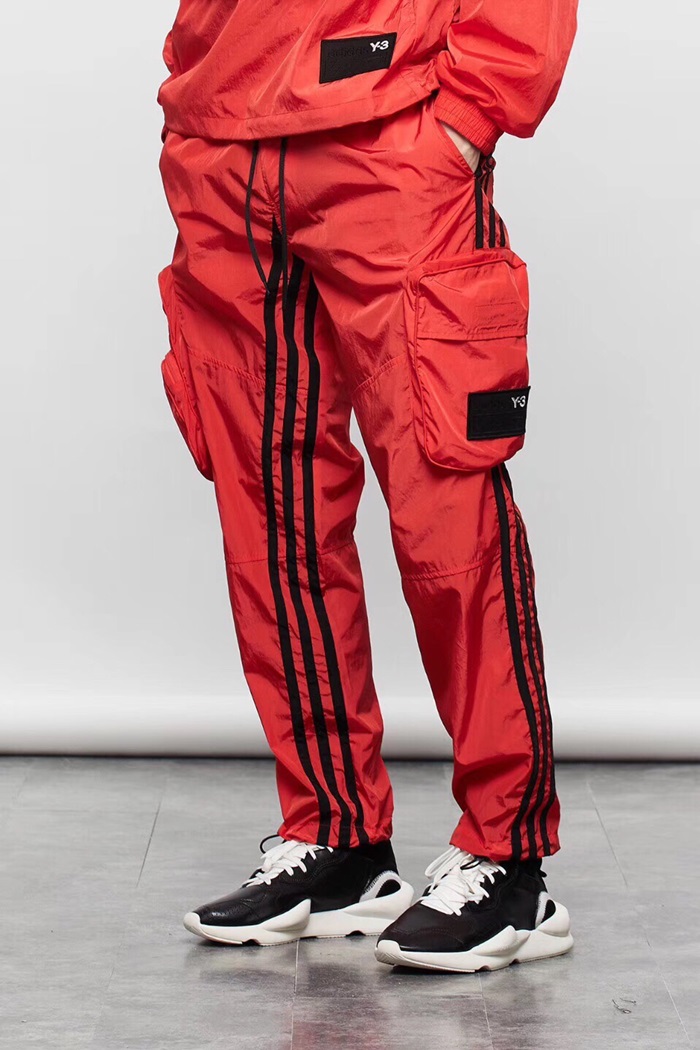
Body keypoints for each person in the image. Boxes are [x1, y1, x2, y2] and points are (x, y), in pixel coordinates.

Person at [157, 0, 578, 973]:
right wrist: (191, 86)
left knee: (447, 504)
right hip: (221, 145)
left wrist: (472, 111)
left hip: (390, 135)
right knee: (271, 512)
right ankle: (335, 837)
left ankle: (507, 860)